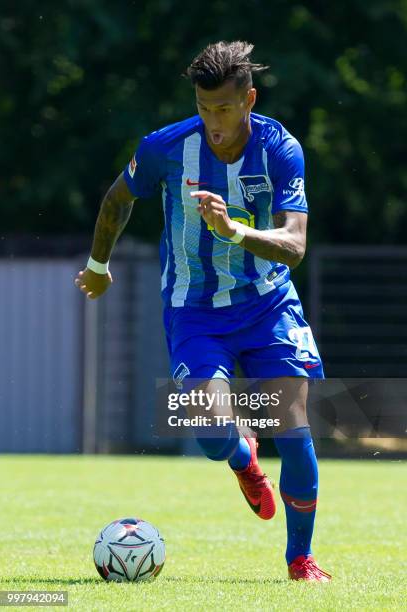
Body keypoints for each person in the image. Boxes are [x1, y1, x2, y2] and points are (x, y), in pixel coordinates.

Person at [75, 40, 331, 582]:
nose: (214, 121)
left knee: (294, 426)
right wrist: (98, 264)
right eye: (203, 107)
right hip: (193, 312)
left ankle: (300, 560)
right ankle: (241, 456)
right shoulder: (166, 148)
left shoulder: (280, 149)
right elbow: (118, 199)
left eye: (224, 108)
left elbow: (294, 243)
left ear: (249, 100)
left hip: (268, 306)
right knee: (211, 431)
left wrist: (234, 230)